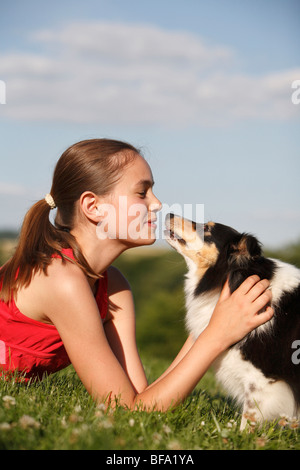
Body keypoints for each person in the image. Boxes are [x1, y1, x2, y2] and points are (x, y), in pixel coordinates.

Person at [0, 138, 273, 411]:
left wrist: (209, 324)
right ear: (93, 207)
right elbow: (124, 410)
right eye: (142, 193)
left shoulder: (113, 284)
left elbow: (142, 400)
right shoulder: (61, 279)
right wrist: (217, 336)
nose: (156, 204)